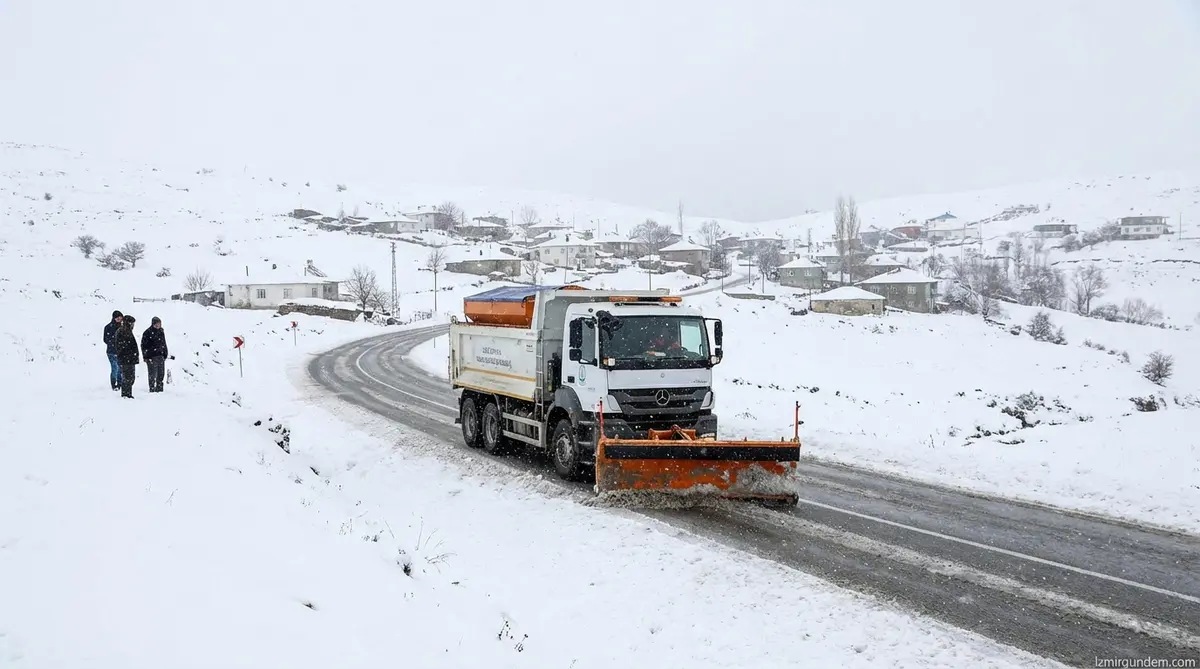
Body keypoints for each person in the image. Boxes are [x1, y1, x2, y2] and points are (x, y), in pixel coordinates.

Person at [114, 315, 141, 399]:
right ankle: (125, 394)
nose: (133, 325)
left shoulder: (128, 331)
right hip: (125, 359)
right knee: (127, 377)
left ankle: (128, 393)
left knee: (131, 377)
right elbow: (120, 346)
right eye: (132, 323)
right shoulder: (122, 331)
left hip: (130, 359)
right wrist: (128, 353)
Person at [141, 316, 169, 393]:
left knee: (161, 374)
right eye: (156, 324)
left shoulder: (161, 332)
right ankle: (152, 388)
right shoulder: (147, 333)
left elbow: (164, 343)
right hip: (151, 356)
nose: (158, 325)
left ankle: (160, 388)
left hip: (160, 355)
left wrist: (165, 353)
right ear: (153, 324)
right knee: (152, 374)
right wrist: (146, 356)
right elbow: (143, 346)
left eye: (159, 324)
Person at [103, 310, 124, 391]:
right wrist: (113, 341)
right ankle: (113, 384)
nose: (119, 319)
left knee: (120, 368)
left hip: (120, 351)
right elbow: (105, 339)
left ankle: (119, 383)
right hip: (111, 351)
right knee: (114, 368)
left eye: (120, 318)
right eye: (118, 318)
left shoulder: (122, 327)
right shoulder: (108, 327)